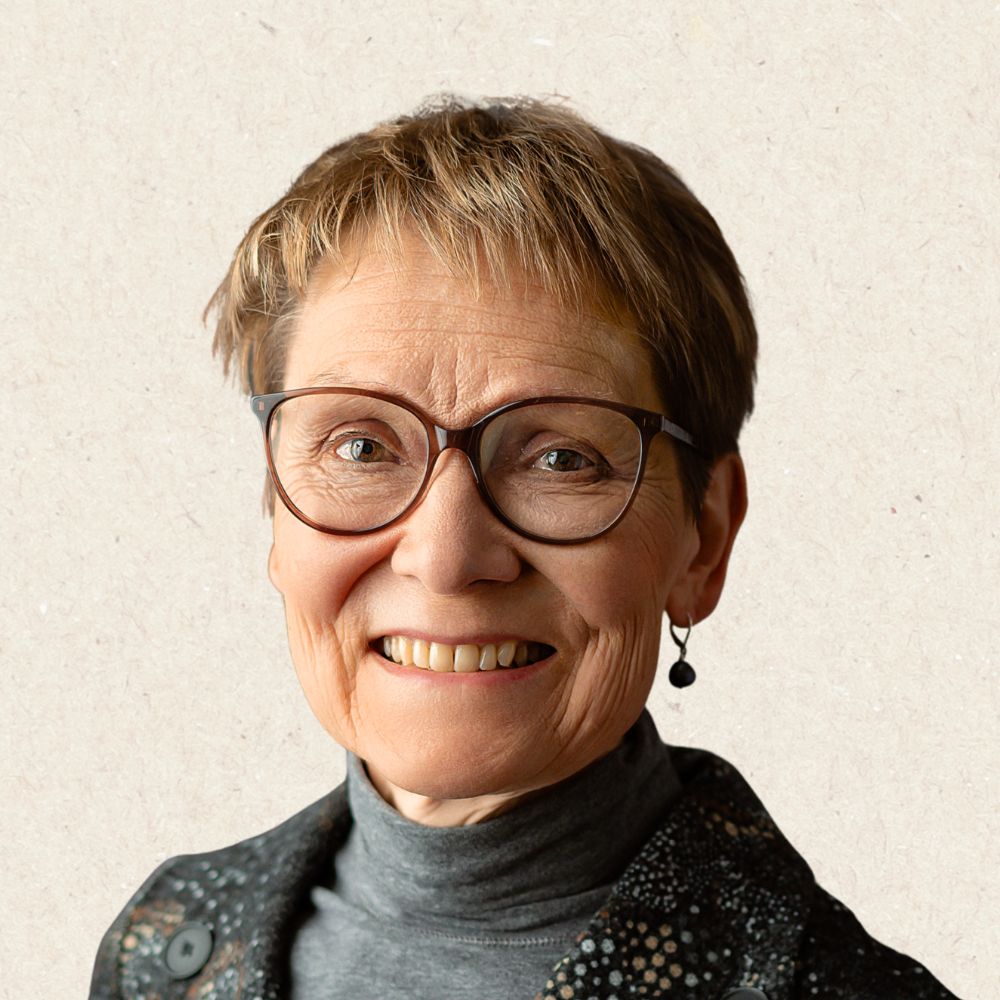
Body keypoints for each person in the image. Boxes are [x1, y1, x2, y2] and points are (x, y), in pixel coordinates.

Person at [88, 97, 961, 1000]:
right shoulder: (164, 947)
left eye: (560, 458)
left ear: (705, 536)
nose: (446, 554)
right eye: (361, 447)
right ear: (276, 508)